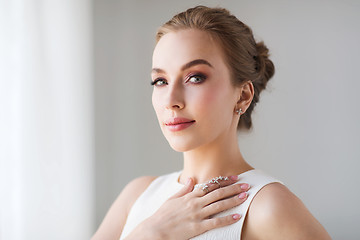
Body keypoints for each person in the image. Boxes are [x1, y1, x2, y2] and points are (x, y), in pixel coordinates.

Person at [92, 6, 331, 240]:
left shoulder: (266, 207)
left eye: (195, 77)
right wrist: (151, 233)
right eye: (160, 81)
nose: (171, 101)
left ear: (243, 95)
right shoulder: (138, 195)